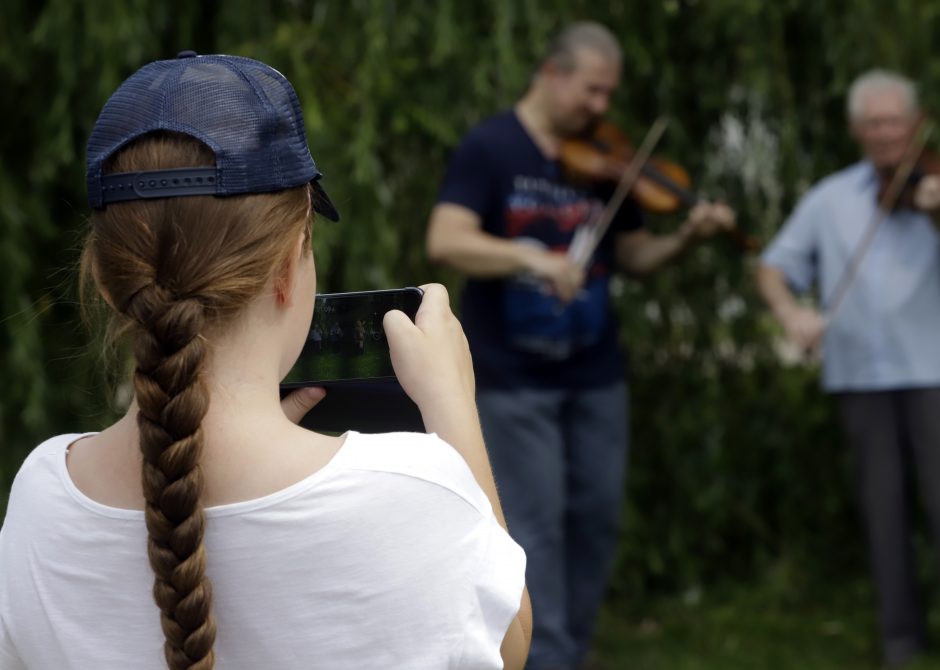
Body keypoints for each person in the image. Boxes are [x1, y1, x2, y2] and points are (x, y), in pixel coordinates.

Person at [0, 52, 531, 670]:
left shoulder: (41, 494)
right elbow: (507, 641)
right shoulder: (408, 491)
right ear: (289, 262)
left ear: (110, 283)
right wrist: (451, 408)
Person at [426, 22, 735, 670]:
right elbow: (446, 240)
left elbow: (633, 257)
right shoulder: (492, 147)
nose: (601, 108)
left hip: (596, 371)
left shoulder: (606, 163)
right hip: (512, 375)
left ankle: (572, 647)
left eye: (608, 95)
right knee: (532, 527)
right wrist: (528, 256)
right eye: (592, 92)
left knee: (595, 519)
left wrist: (687, 239)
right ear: (552, 73)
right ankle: (546, 657)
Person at [757, 69, 940, 668]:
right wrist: (792, 314)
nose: (886, 133)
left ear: (916, 124)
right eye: (873, 123)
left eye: (894, 121)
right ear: (856, 130)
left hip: (932, 372)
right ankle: (900, 640)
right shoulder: (830, 198)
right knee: (882, 510)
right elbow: (773, 267)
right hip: (859, 377)